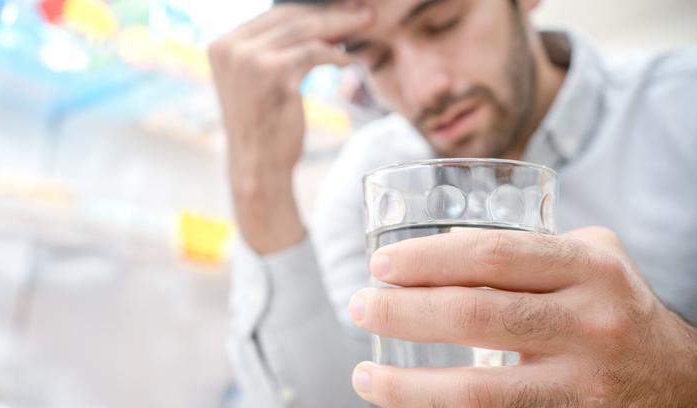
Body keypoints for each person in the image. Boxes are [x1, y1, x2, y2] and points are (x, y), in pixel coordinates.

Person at [208, 0, 697, 406]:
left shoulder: (683, 105)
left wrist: (674, 374)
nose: (426, 89)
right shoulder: (372, 177)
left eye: (443, 23)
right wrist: (259, 185)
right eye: (375, 59)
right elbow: (335, 398)